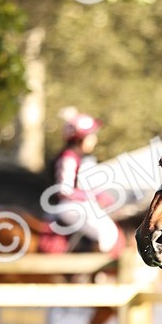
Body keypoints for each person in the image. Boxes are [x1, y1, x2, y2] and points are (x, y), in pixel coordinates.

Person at [50, 108, 121, 255]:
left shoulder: (82, 157)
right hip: (68, 207)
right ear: (79, 138)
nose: (94, 139)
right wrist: (93, 196)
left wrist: (100, 195)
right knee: (106, 233)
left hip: (80, 205)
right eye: (91, 136)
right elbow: (65, 190)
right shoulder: (68, 157)